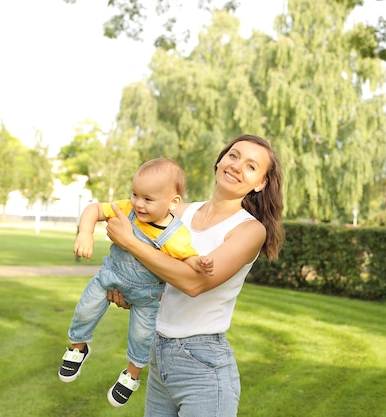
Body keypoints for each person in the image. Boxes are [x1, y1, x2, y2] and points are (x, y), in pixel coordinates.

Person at [105, 134, 284, 417]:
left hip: (203, 365)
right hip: (159, 353)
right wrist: (132, 291)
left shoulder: (249, 230)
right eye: (234, 156)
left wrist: (131, 242)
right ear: (220, 161)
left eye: (251, 166)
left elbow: (193, 283)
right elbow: (156, 274)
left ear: (260, 184)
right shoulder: (179, 213)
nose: (237, 166)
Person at [58, 158, 214, 408]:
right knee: (85, 310)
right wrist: (85, 232)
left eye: (148, 199)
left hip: (146, 296)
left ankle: (131, 375)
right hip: (109, 277)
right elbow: (94, 209)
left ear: (173, 201)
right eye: (135, 194)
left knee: (142, 337)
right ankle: (78, 347)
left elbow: (188, 258)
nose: (138, 204)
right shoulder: (126, 210)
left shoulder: (174, 234)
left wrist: (200, 264)